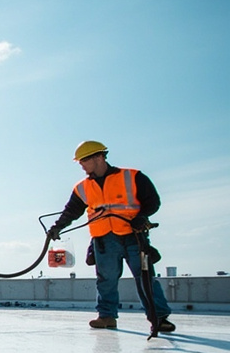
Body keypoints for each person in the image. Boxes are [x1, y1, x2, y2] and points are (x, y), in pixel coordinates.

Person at [47, 140, 174, 332]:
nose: (81, 165)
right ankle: (106, 316)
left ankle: (159, 318)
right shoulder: (82, 187)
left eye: (84, 161)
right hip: (104, 240)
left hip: (134, 236)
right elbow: (71, 211)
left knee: (145, 278)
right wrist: (58, 227)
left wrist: (141, 217)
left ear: (99, 157)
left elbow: (153, 202)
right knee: (105, 280)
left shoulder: (132, 177)